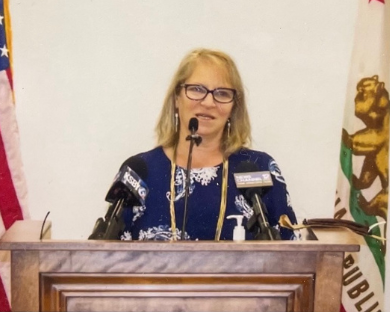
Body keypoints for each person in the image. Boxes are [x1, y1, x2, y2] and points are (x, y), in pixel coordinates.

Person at [118, 48, 298, 241]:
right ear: (176, 98)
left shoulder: (258, 168)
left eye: (222, 93)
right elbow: (107, 258)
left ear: (233, 107)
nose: (209, 102)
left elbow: (291, 252)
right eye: (197, 89)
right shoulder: (139, 172)